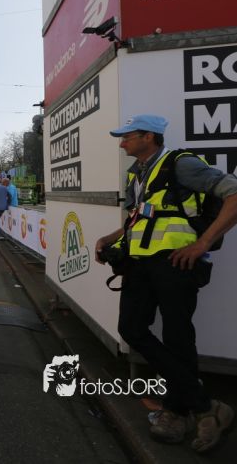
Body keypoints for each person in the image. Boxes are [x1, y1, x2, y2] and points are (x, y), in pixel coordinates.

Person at [94, 115, 237, 453]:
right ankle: (205, 406)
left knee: (177, 336)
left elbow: (233, 194)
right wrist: (110, 238)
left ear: (149, 137)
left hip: (176, 263)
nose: (121, 143)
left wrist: (202, 244)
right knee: (131, 329)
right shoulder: (136, 173)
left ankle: (178, 412)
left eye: (127, 137)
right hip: (140, 263)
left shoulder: (180, 164)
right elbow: (139, 217)